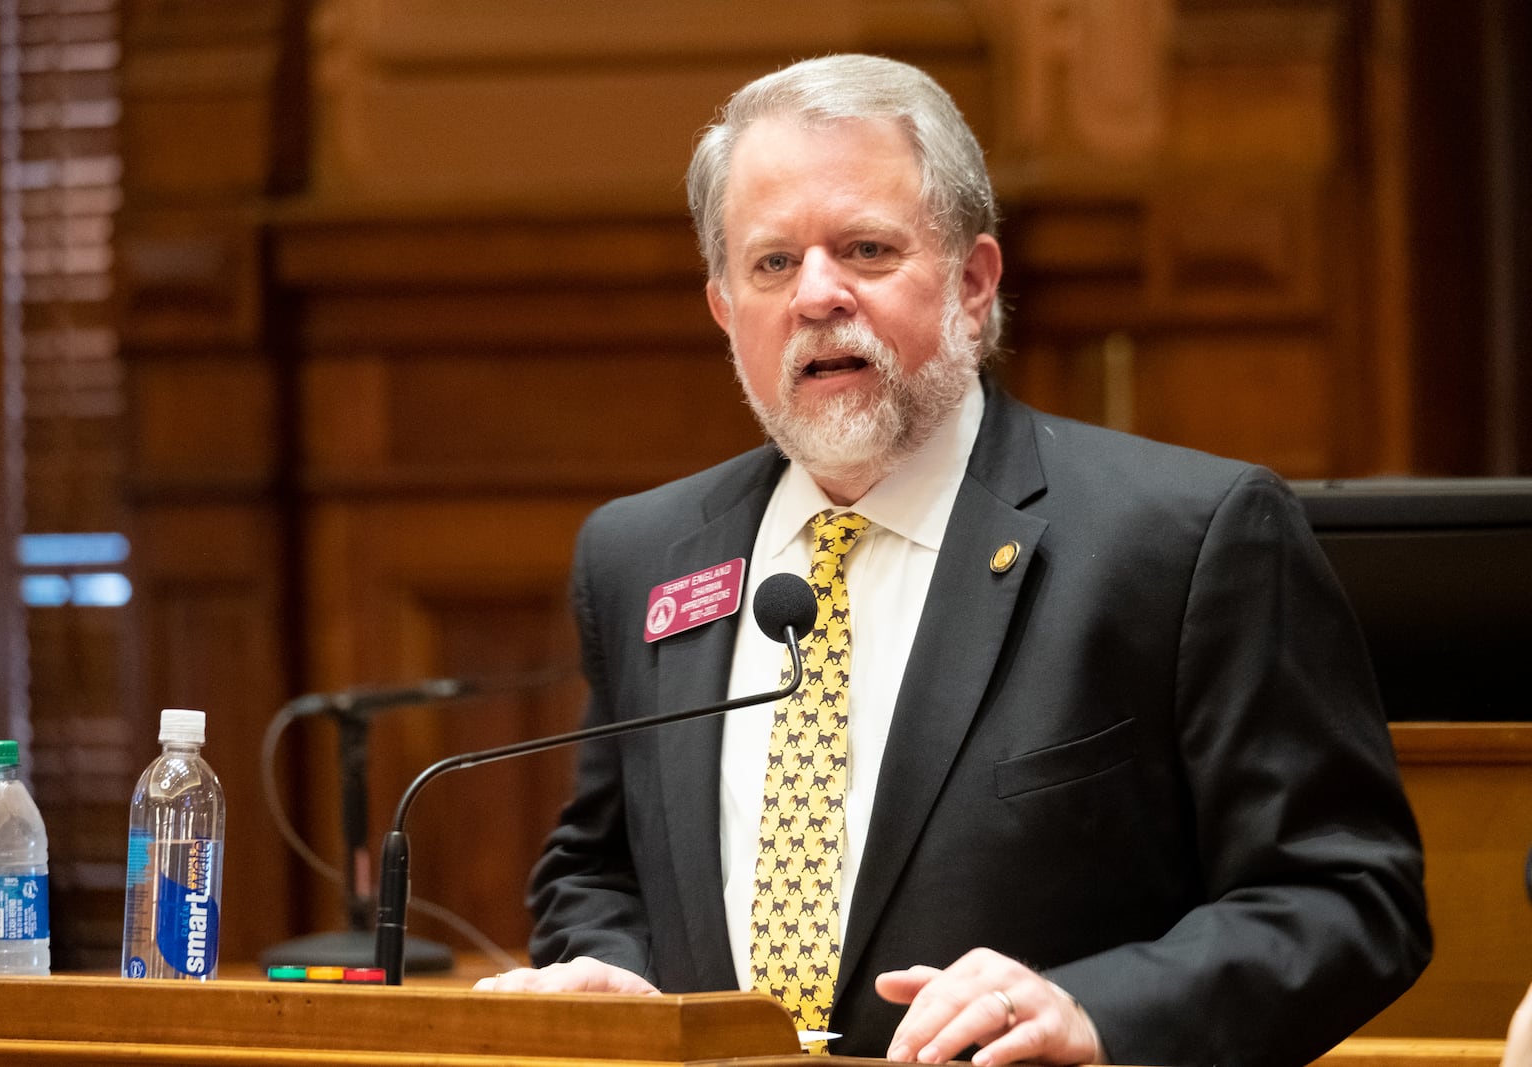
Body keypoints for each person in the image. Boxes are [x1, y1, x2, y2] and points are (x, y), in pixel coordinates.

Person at [480, 54, 1430, 1067]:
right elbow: (597, 870)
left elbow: (1348, 896)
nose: (815, 295)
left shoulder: (1183, 537)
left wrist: (1094, 1011)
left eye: (866, 248)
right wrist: (614, 978)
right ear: (723, 307)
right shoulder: (643, 556)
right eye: (769, 263)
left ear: (973, 283)